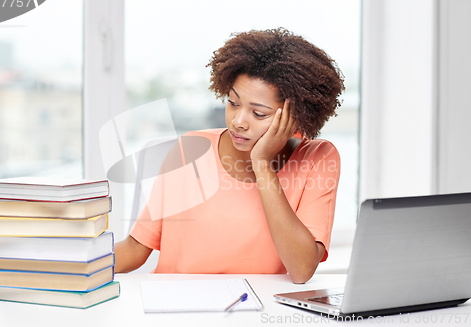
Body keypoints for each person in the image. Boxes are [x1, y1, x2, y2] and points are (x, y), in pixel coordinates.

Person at [114, 28, 344, 284]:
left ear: (296, 116)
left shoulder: (318, 158)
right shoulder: (190, 149)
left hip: (256, 311)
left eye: (259, 114)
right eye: (233, 103)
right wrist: (70, 268)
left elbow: (302, 269)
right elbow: (136, 248)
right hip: (174, 307)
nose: (238, 121)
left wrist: (262, 164)